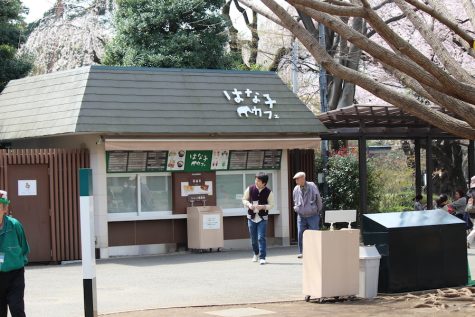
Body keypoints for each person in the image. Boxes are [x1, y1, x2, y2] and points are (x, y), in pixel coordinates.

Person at [0, 190, 30, 317]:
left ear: (5, 208)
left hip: (15, 275)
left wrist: (16, 262)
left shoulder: (15, 225)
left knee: (16, 309)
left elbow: (24, 248)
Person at [242, 172, 274, 265]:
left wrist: (263, 206)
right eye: (256, 179)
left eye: (258, 180)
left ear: (264, 183)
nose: (256, 182)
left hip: (262, 218)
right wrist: (249, 204)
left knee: (261, 238)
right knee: (253, 239)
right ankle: (256, 253)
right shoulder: (250, 188)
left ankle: (262, 257)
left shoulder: (269, 192)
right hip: (251, 217)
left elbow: (272, 205)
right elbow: (244, 199)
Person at [292, 171, 322, 259]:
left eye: (297, 179)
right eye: (295, 179)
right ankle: (301, 252)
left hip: (313, 215)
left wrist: (317, 210)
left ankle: (315, 252)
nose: (296, 181)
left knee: (314, 234)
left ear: (303, 178)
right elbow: (294, 200)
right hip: (301, 215)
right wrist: (296, 208)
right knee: (300, 233)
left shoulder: (312, 186)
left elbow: (318, 199)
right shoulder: (296, 189)